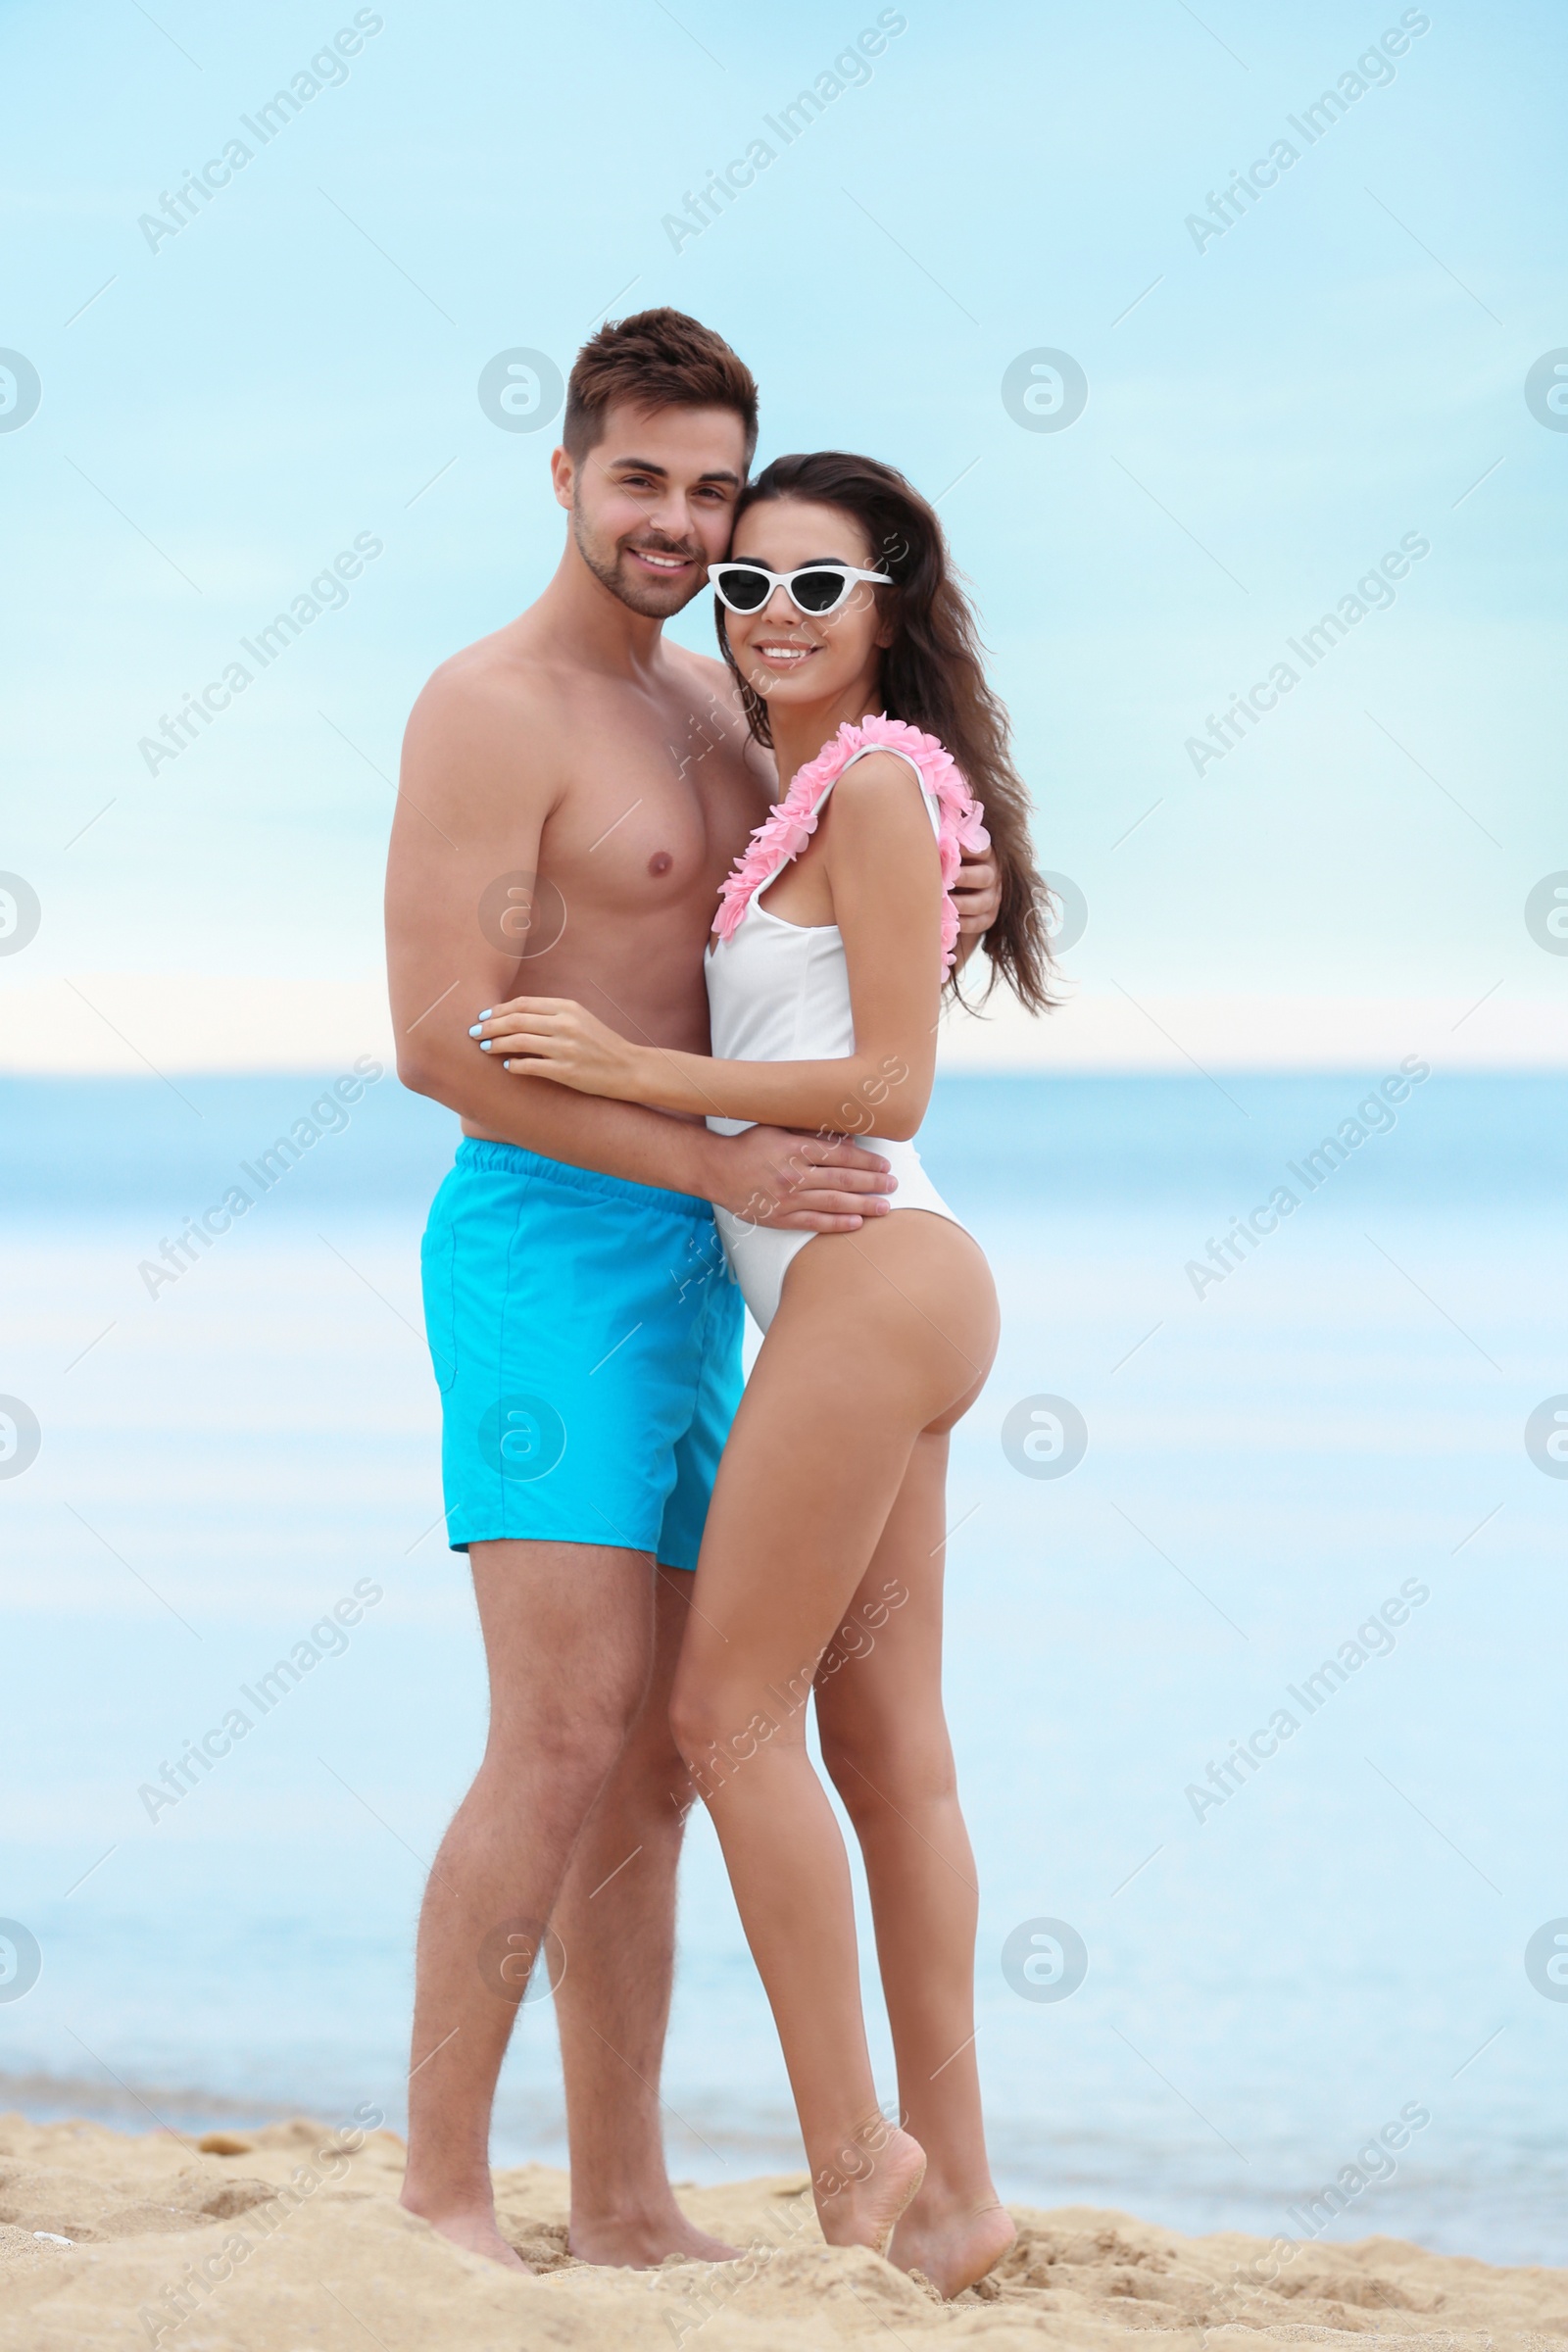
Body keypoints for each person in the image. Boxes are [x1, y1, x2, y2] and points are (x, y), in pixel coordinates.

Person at [384, 311, 1002, 2272]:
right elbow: (438, 1038)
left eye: (709, 490)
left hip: (730, 1267)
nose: (678, 527)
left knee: (664, 1745)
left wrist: (961, 893)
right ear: (562, 475)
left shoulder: (723, 707)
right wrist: (703, 1156)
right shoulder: (488, 708)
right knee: (561, 1728)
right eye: (638, 480)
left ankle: (629, 2201)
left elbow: (841, 904)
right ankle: (438, 2197)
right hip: (554, 1244)